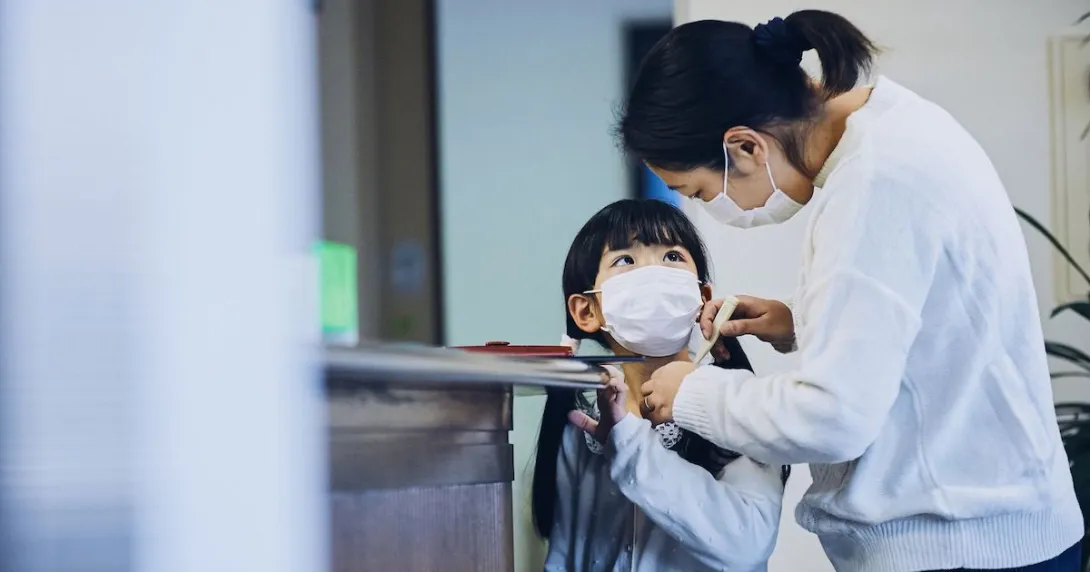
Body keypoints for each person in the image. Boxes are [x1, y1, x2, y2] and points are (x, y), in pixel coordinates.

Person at [621, 11, 1084, 572]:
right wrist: (804, 324)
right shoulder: (896, 125)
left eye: (695, 190)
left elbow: (831, 417)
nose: (708, 209)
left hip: (959, 546)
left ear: (743, 147)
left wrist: (692, 392)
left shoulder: (875, 185)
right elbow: (930, 323)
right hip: (986, 530)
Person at [532, 199, 787, 572]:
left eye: (672, 256)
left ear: (702, 297)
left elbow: (747, 543)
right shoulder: (584, 424)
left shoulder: (734, 402)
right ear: (587, 311)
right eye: (625, 260)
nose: (654, 273)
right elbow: (565, 556)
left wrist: (631, 445)